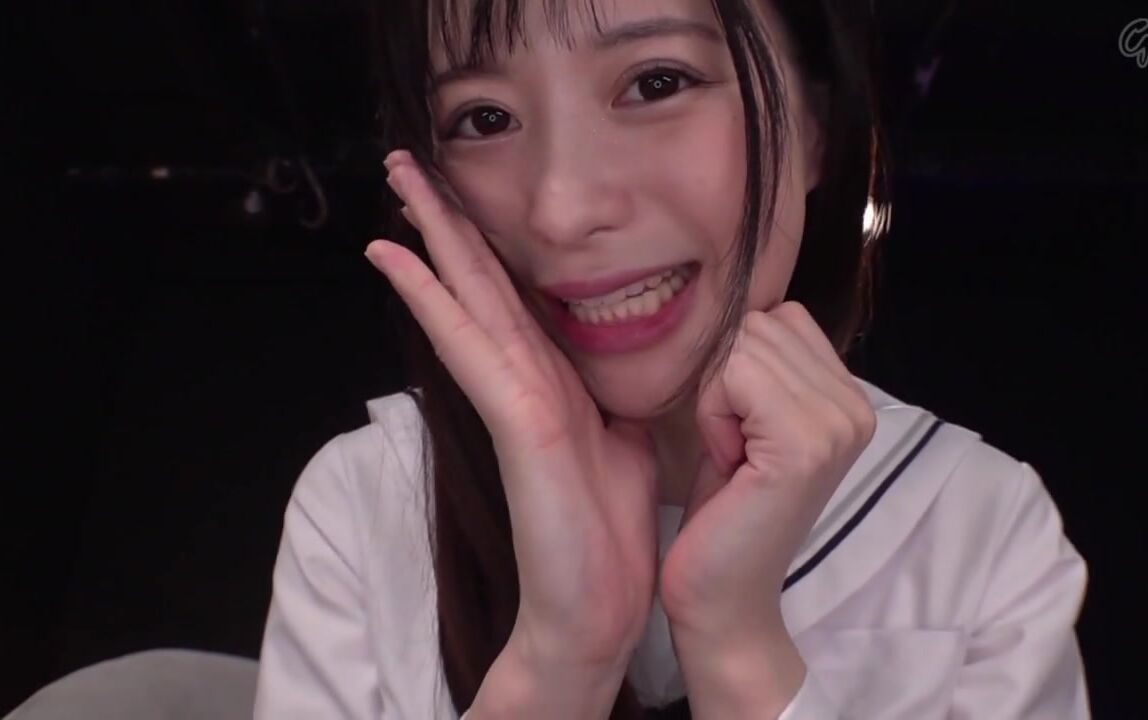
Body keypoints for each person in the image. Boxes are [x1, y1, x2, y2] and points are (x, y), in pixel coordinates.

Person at [252, 0, 1091, 717]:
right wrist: (560, 656)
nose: (562, 208)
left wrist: (735, 647)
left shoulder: (973, 520)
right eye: (485, 119)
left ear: (814, 129)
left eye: (656, 83)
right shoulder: (372, 500)